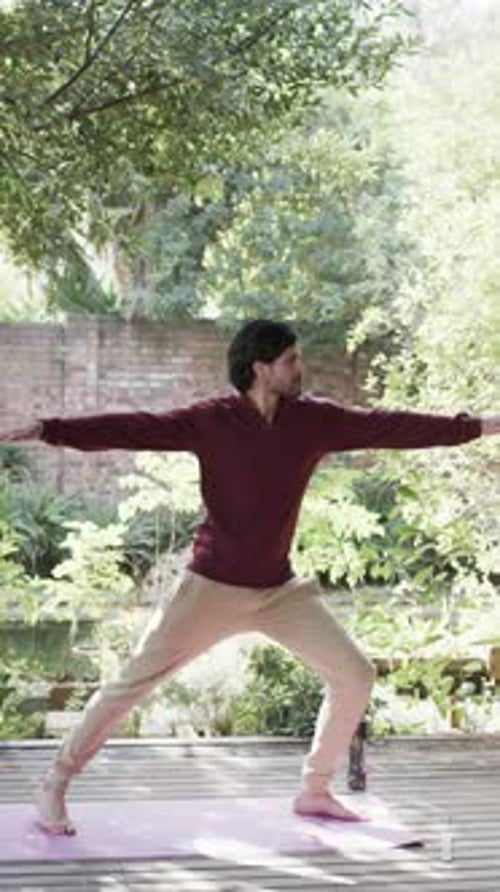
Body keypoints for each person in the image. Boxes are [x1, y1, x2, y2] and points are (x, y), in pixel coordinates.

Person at [1, 319, 499, 836]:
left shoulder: (314, 420)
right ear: (261, 369)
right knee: (131, 683)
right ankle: (54, 783)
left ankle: (314, 790)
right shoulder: (209, 421)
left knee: (355, 674)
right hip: (211, 587)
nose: (299, 368)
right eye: (291, 360)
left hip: (280, 592)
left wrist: (481, 425)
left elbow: (392, 426)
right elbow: (133, 426)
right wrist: (50, 428)